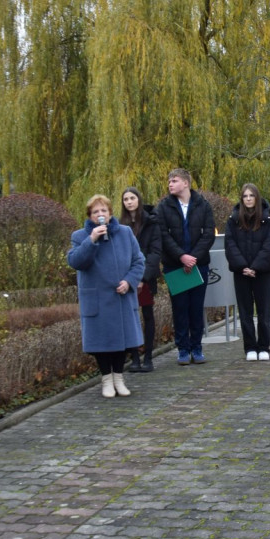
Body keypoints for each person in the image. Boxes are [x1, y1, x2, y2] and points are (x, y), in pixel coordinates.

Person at [67, 194, 145, 398]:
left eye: (104, 211)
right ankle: (106, 380)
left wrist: (129, 281)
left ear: (110, 213)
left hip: (121, 297)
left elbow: (139, 261)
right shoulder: (79, 236)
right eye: (95, 212)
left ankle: (119, 378)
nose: (100, 214)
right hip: (97, 299)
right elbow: (75, 262)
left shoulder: (125, 233)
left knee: (121, 341)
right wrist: (91, 240)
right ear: (90, 216)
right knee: (102, 343)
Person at [155, 168, 217, 365]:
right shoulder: (163, 207)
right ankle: (183, 350)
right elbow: (163, 235)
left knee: (196, 308)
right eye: (169, 181)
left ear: (186, 183)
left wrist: (193, 258)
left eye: (174, 181)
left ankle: (197, 348)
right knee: (180, 308)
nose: (170, 184)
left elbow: (208, 234)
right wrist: (181, 256)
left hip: (199, 265)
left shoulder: (203, 205)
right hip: (175, 267)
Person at [224, 184, 270, 361]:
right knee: (245, 312)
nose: (248, 198)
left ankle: (264, 346)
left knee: (264, 311)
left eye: (251, 196)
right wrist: (243, 267)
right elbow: (230, 245)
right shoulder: (233, 220)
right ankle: (250, 347)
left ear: (257, 198)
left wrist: (255, 267)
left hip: (262, 273)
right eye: (245, 196)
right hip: (241, 273)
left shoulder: (268, 220)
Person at [120, 187, 162, 372]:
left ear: (139, 199)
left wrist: (143, 277)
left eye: (132, 198)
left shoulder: (152, 222)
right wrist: (129, 278)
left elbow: (155, 252)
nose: (129, 202)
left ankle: (148, 357)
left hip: (145, 277)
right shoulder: (121, 225)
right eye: (125, 199)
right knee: (130, 317)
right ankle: (135, 357)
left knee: (147, 316)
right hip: (126, 278)